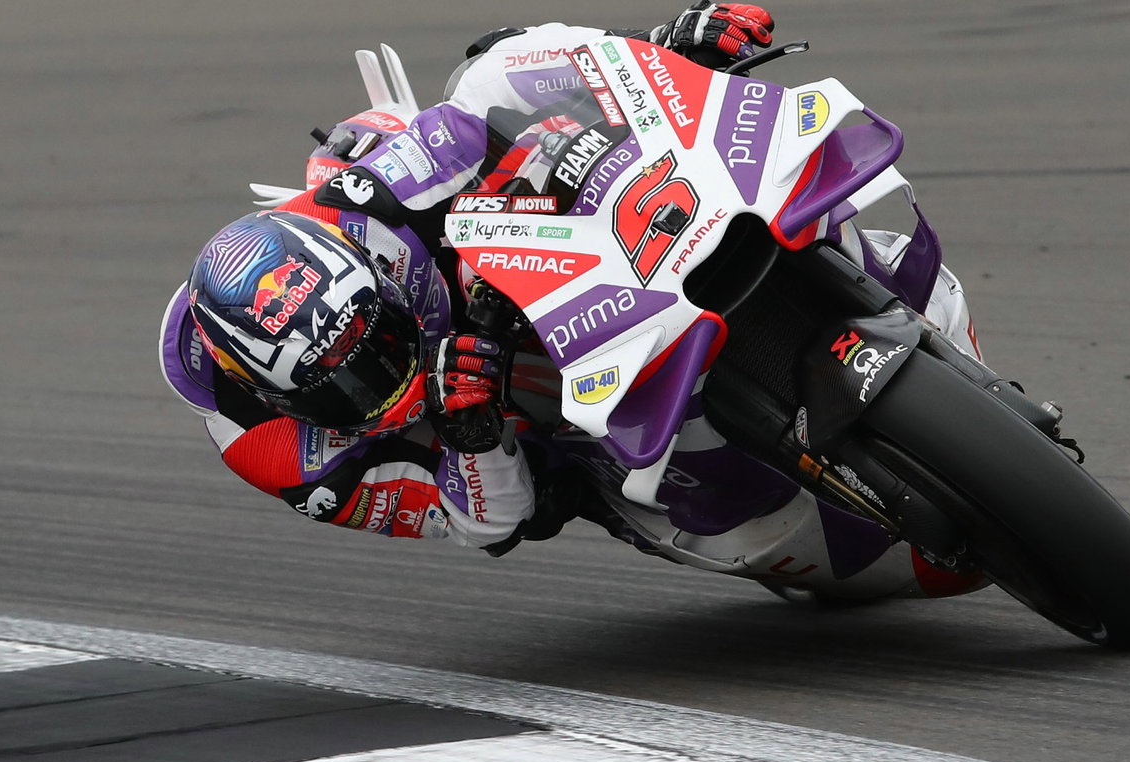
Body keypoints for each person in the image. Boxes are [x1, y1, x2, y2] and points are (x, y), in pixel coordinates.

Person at [159, 3, 982, 571]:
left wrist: (662, 53)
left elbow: (495, 89)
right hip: (520, 433)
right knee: (682, 512)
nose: (381, 372)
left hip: (504, 273)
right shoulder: (279, 455)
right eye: (351, 383)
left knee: (498, 89)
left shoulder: (364, 201)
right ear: (265, 390)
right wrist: (472, 432)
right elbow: (488, 527)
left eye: (376, 343)